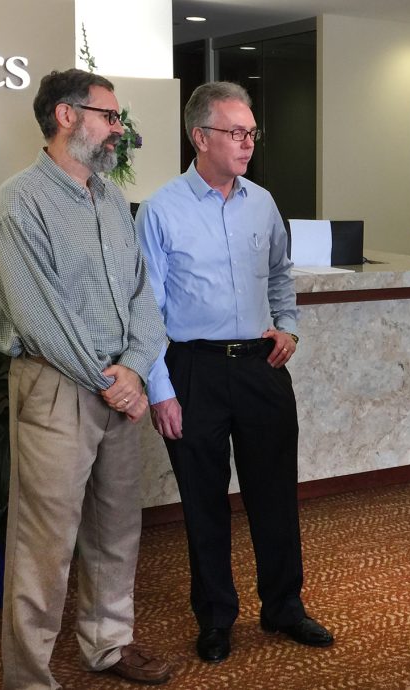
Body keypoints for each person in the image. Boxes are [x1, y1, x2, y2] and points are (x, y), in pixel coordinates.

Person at [0, 68, 169, 689]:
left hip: (121, 383)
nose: (119, 130)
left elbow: (144, 295)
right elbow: (37, 312)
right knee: (44, 544)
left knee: (117, 527)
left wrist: (136, 368)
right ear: (67, 116)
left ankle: (108, 645)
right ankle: (29, 677)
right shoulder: (21, 198)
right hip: (59, 386)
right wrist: (108, 378)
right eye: (110, 117)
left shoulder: (113, 198)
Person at [135, 81, 333, 664]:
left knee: (275, 495)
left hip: (260, 368)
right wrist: (159, 390)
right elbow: (143, 307)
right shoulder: (160, 210)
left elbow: (280, 274)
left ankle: (284, 607)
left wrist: (289, 327)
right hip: (191, 369)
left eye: (252, 132)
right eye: (236, 132)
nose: (248, 143)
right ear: (200, 137)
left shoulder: (263, 203)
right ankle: (217, 617)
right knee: (204, 503)